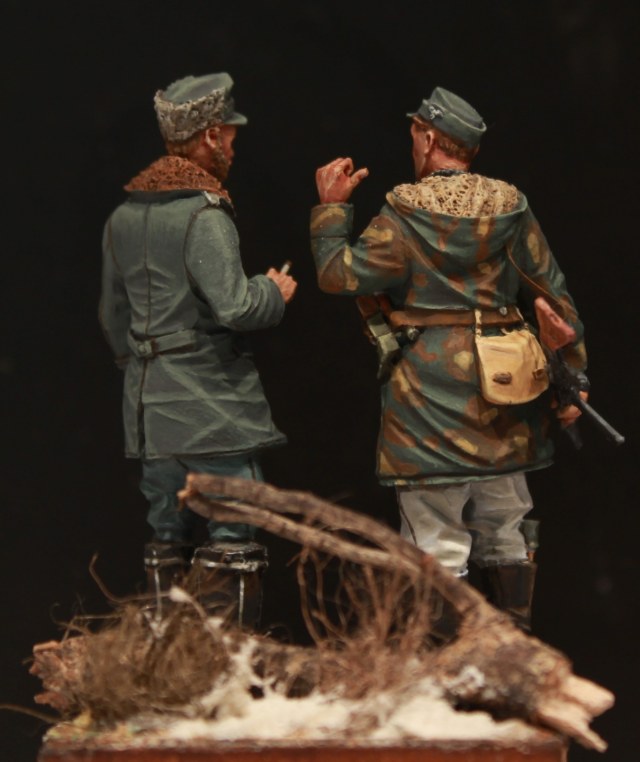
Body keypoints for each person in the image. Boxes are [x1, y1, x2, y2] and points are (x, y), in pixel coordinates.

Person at [309, 86, 587, 631]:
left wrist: (331, 209)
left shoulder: (403, 214)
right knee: (506, 525)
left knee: (434, 537)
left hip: (427, 399)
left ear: (429, 138)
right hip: (507, 392)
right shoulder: (511, 209)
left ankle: (443, 667)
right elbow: (553, 296)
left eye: (416, 132)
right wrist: (573, 372)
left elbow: (339, 274)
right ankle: (510, 655)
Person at [99, 72, 297, 623]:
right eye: (229, 133)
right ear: (211, 136)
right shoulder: (204, 215)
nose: (233, 143)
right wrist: (272, 292)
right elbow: (237, 308)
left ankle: (167, 653)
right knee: (234, 524)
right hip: (211, 407)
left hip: (148, 412)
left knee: (167, 532)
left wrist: (145, 370)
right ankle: (229, 662)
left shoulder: (122, 218)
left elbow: (113, 319)